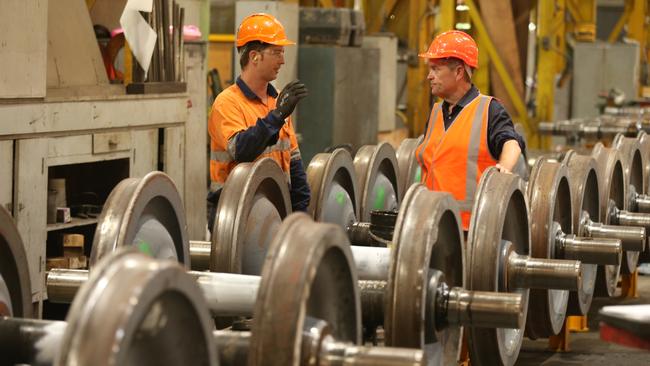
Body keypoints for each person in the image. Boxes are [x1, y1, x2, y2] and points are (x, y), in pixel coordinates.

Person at [207, 13, 310, 232]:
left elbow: (293, 160)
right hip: (235, 215)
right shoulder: (227, 103)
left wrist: (301, 214)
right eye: (276, 52)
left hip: (274, 211)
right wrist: (277, 116)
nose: (282, 60)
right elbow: (242, 150)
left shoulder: (277, 100)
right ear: (255, 56)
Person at [414, 30, 526, 230]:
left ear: (458, 72)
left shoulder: (489, 109)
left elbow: (511, 142)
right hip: (430, 224)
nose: (429, 76)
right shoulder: (435, 113)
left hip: (471, 230)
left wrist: (505, 168)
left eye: (435, 69)